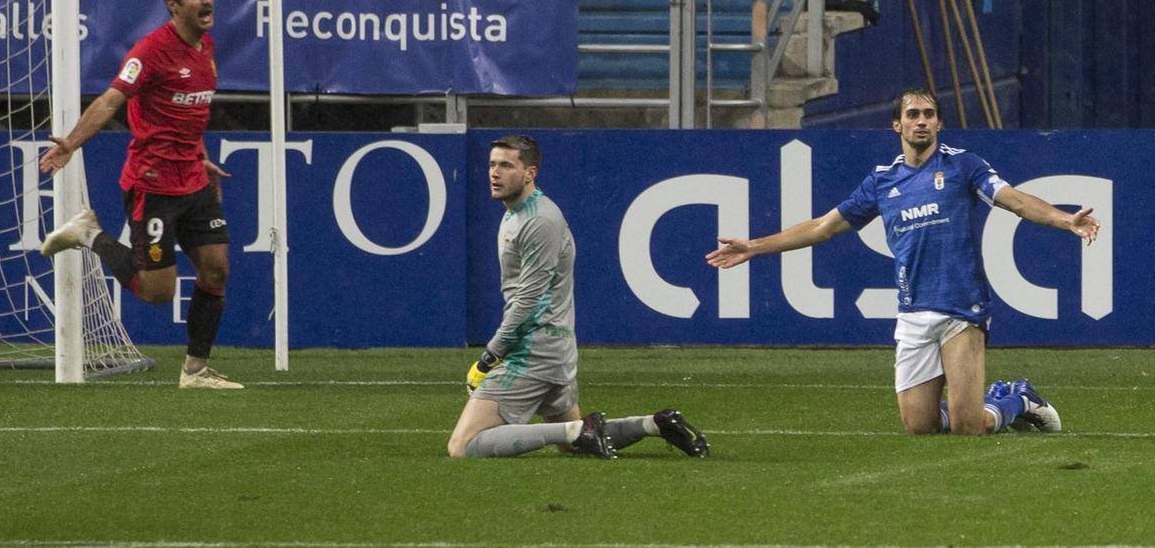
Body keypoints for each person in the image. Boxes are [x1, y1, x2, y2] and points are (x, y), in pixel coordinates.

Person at [706, 88, 1100, 436]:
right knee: (920, 426)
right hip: (913, 312)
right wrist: (755, 246)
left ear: (940, 123)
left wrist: (1065, 219)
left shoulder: (963, 166)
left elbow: (1014, 199)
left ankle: (1017, 399)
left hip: (962, 306)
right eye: (913, 114)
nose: (921, 122)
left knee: (968, 428)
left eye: (929, 114)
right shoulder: (882, 182)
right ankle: (995, 399)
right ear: (897, 125)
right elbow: (823, 227)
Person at [39, 0, 241, 390]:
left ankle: (196, 370)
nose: (206, 1)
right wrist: (72, 143)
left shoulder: (207, 48)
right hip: (153, 184)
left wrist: (201, 157)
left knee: (217, 268)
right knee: (156, 292)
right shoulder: (149, 52)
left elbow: (191, 111)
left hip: (193, 178)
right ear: (172, 6)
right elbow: (111, 100)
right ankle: (90, 233)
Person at [448, 135, 710, 458]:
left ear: (530, 173)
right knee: (571, 443)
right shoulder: (521, 212)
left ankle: (578, 429)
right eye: (491, 164)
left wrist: (490, 355)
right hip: (554, 347)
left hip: (533, 351)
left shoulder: (539, 220)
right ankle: (654, 424)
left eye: (506, 165)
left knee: (463, 445)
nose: (494, 173)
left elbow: (528, 301)